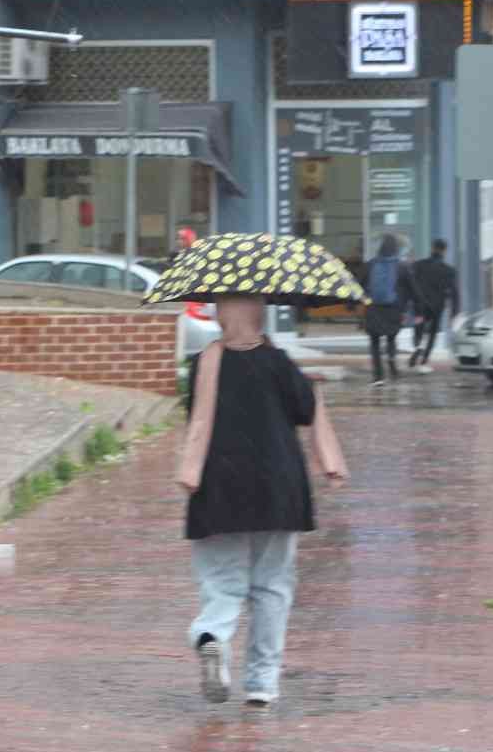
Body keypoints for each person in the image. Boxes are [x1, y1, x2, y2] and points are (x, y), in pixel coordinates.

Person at [176, 297, 347, 709]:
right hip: (278, 489)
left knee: (222, 582)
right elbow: (305, 410)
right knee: (272, 587)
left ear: (222, 313)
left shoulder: (205, 364)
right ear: (260, 312)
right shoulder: (279, 362)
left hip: (218, 487)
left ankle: (213, 636)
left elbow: (194, 417)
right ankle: (261, 683)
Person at [364, 234, 410, 386]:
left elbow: (360, 284)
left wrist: (352, 303)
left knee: (375, 343)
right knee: (391, 337)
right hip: (393, 309)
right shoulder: (401, 266)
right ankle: (391, 358)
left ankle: (378, 376)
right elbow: (412, 289)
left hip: (373, 308)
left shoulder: (370, 264)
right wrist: (417, 308)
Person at [407, 239, 458, 374]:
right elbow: (454, 292)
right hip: (437, 308)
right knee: (432, 334)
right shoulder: (449, 271)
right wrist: (454, 312)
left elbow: (411, 284)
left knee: (418, 329)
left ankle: (418, 347)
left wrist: (409, 301)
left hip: (420, 306)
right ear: (445, 251)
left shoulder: (419, 265)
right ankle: (424, 361)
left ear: (432, 248)